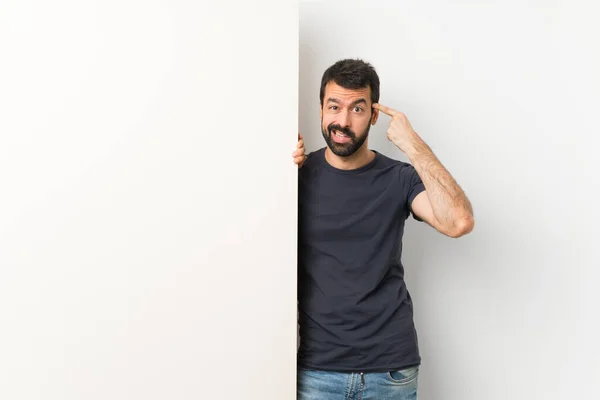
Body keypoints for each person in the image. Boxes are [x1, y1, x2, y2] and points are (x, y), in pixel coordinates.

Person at [292, 59, 474, 400]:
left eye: (357, 109)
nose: (343, 121)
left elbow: (458, 222)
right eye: (334, 107)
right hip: (317, 370)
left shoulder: (399, 178)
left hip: (390, 372)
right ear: (320, 109)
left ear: (374, 115)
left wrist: (413, 145)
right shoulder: (297, 174)